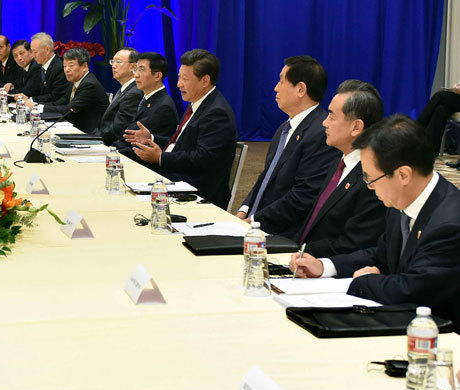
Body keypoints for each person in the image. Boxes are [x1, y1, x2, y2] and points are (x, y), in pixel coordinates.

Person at [291, 116, 460, 325]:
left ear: (403, 175)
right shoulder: (403, 200)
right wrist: (324, 267)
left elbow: (412, 290)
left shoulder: (449, 224)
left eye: (370, 178)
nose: (369, 187)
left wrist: (365, 282)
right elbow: (381, 255)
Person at [236, 56, 340, 240]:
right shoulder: (284, 129)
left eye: (282, 81)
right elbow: (267, 178)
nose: (276, 87)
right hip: (255, 225)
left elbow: (303, 196)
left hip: (281, 235)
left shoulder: (321, 133)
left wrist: (254, 220)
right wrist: (243, 210)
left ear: (300, 89)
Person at [127, 49, 237, 209]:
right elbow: (182, 144)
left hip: (195, 190)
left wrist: (160, 158)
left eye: (184, 79)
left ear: (205, 80)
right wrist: (152, 138)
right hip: (175, 178)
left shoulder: (216, 112)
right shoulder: (197, 103)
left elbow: (203, 158)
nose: (179, 84)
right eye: (179, 77)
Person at [291, 80, 388, 257]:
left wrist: (299, 253)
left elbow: (352, 244)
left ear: (356, 127)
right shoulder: (339, 162)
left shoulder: (373, 180)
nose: (324, 123)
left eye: (332, 117)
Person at [29, 48, 109, 134]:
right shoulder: (74, 82)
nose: (67, 69)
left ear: (84, 66)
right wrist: (36, 106)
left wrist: (38, 108)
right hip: (76, 128)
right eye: (64, 66)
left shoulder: (89, 85)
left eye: (71, 65)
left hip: (90, 133)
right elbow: (61, 102)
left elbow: (69, 110)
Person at [115, 52, 178, 155]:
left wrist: (113, 152)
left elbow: (147, 147)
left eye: (141, 70)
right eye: (136, 69)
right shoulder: (146, 99)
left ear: (157, 76)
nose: (136, 75)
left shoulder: (164, 107)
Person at [98, 47, 141, 146]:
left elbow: (119, 129)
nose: (113, 66)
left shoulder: (134, 93)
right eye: (113, 61)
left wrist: (93, 139)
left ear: (133, 67)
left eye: (118, 62)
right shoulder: (125, 88)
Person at [21, 32, 67, 104]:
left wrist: (31, 100)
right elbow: (36, 91)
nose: (33, 55)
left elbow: (55, 96)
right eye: (32, 52)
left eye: (35, 52)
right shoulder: (39, 67)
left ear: (47, 50)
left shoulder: (59, 68)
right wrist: (26, 97)